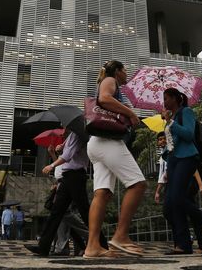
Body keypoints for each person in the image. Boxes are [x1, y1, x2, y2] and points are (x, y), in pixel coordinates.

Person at [84, 60, 147, 258]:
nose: (126, 73)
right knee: (138, 184)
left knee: (102, 194)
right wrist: (130, 113)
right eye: (125, 69)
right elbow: (104, 98)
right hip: (108, 142)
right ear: (118, 71)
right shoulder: (110, 80)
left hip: (96, 144)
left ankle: (92, 246)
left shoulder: (111, 82)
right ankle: (121, 235)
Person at [26, 129, 98, 256]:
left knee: (81, 212)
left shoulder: (78, 135)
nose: (63, 128)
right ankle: (44, 247)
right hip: (65, 179)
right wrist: (56, 152)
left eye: (65, 126)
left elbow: (67, 157)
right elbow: (64, 161)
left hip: (74, 177)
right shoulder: (70, 137)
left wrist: (52, 164)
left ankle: (98, 242)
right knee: (57, 213)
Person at [161, 88, 202, 255]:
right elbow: (172, 142)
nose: (164, 102)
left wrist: (171, 122)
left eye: (166, 98)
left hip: (187, 158)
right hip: (173, 160)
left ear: (176, 99)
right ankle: (183, 244)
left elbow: (188, 135)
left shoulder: (186, 112)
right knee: (169, 206)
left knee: (178, 198)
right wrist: (165, 151)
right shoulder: (170, 119)